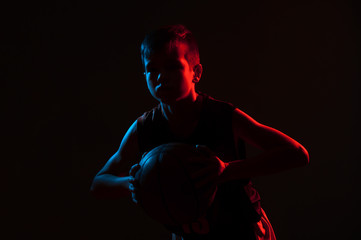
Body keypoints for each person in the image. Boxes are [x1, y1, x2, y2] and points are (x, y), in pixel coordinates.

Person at [90, 24, 309, 240]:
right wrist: (131, 183)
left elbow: (297, 154)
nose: (161, 77)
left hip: (243, 230)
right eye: (152, 69)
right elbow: (99, 183)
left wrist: (227, 171)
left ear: (196, 72)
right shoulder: (144, 127)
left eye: (172, 67)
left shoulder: (223, 116)